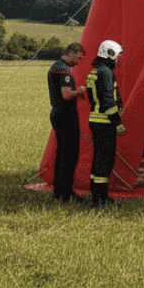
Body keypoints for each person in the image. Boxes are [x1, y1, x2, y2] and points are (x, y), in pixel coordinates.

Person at [87, 40, 125, 208]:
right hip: (105, 122)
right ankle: (102, 199)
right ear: (109, 55)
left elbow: (93, 99)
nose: (117, 60)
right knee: (105, 161)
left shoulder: (95, 71)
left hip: (95, 120)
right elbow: (108, 101)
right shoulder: (105, 72)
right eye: (117, 57)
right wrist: (117, 122)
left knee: (98, 159)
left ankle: (97, 197)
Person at [47, 42, 86, 203]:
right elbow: (66, 94)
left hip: (58, 113)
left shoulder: (54, 66)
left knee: (62, 153)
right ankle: (66, 192)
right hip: (65, 114)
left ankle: (59, 191)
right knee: (69, 155)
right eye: (78, 57)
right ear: (72, 52)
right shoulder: (64, 70)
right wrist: (80, 91)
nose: (78, 62)